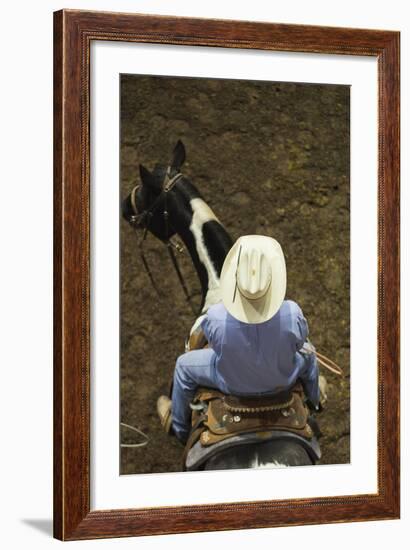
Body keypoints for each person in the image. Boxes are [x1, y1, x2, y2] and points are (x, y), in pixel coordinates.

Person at [157, 235, 320, 443]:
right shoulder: (293, 313)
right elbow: (299, 344)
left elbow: (215, 347)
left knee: (182, 366)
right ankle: (315, 403)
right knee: (310, 355)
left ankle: (179, 427)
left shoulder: (216, 317)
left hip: (230, 383)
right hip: (282, 379)